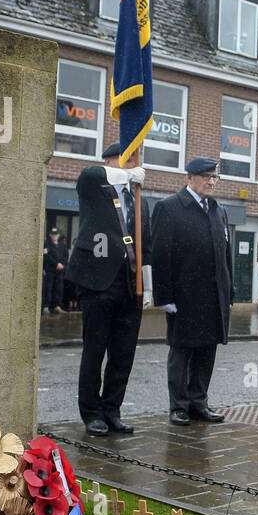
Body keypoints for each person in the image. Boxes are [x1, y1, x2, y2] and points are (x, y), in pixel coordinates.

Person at [64, 143, 153, 436]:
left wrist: (148, 287)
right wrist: (124, 175)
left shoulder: (139, 198)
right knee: (95, 350)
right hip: (98, 281)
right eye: (126, 160)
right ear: (109, 161)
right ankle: (92, 413)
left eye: (135, 161)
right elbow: (90, 173)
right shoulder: (94, 186)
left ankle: (112, 409)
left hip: (130, 284)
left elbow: (147, 245)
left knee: (123, 353)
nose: (131, 166)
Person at [151, 156, 234, 427]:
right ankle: (179, 406)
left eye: (214, 176)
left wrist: (229, 291)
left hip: (213, 297)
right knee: (182, 353)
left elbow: (225, 254)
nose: (211, 181)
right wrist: (164, 297)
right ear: (189, 177)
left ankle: (199, 402)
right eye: (205, 176)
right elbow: (161, 255)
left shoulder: (217, 210)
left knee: (206, 352)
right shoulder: (169, 208)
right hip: (184, 298)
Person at [42, 227, 68, 315]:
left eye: (56, 234)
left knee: (58, 289)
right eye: (53, 234)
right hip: (50, 270)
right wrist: (56, 264)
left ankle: (57, 306)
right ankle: (46, 306)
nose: (55, 236)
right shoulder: (46, 244)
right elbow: (46, 257)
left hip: (60, 271)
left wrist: (62, 264)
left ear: (58, 235)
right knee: (48, 289)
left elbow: (65, 256)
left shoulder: (62, 246)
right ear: (50, 235)